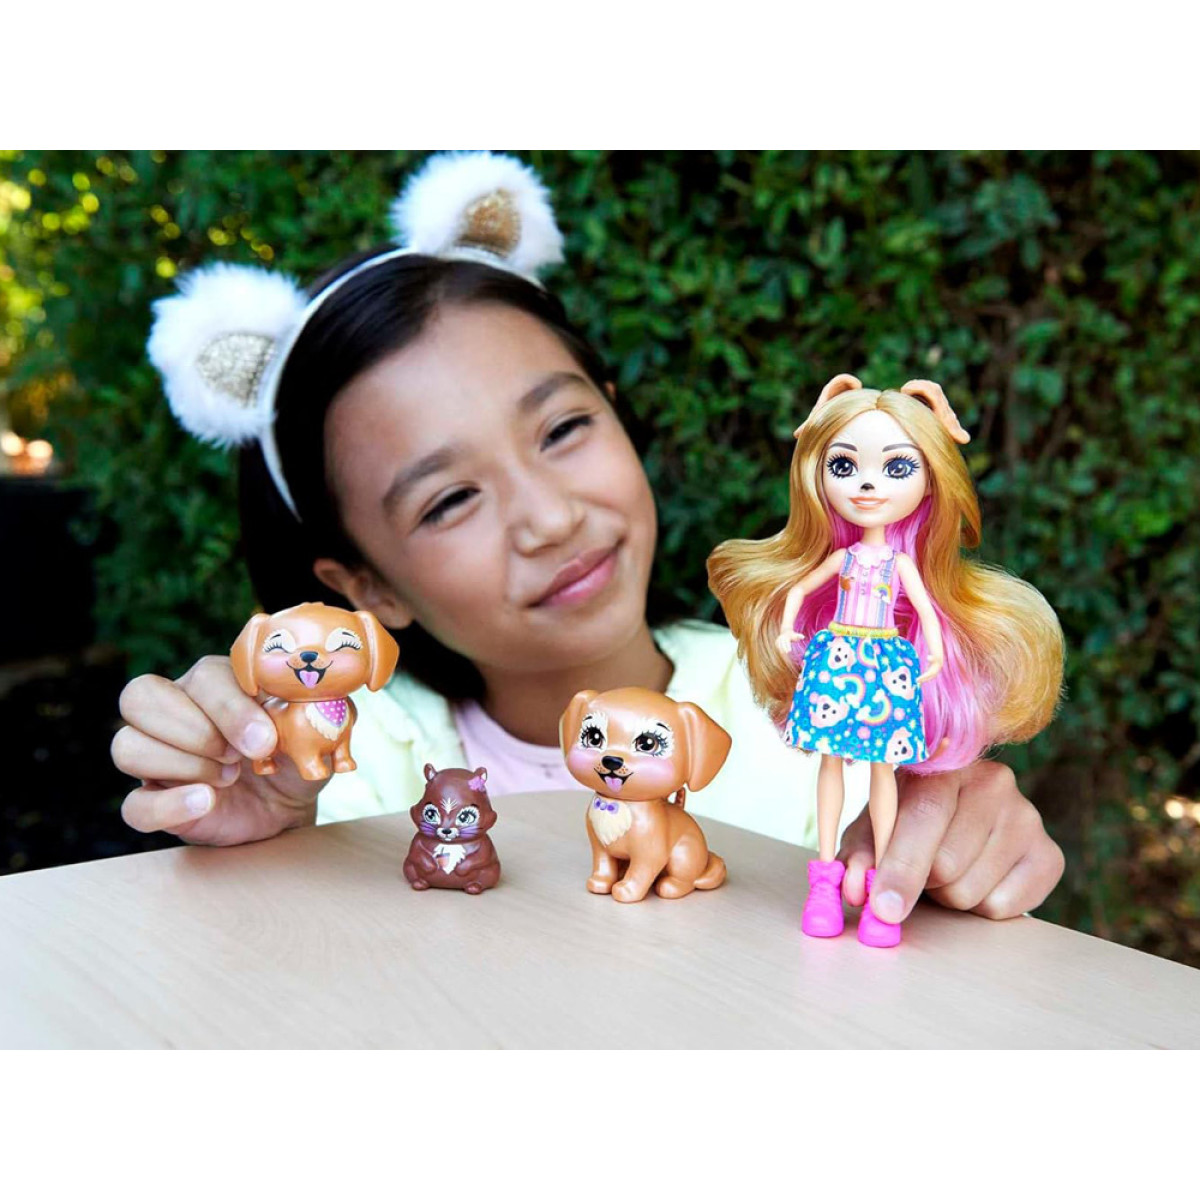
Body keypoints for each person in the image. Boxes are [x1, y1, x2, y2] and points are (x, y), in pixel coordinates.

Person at [112, 151, 1065, 926]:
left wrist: (956, 851)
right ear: (367, 587)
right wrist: (270, 841)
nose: (551, 517)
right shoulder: (345, 775)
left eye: (563, 428)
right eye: (450, 499)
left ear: (614, 410)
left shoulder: (800, 695)